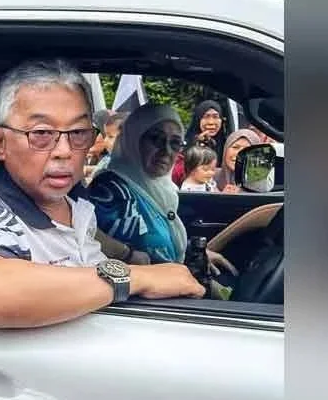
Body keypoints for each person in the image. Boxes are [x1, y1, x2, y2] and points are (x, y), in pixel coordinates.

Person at [0, 59, 206, 329]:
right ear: (0, 143)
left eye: (78, 132)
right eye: (42, 133)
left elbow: (90, 237)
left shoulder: (73, 201)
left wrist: (131, 256)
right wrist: (137, 277)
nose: (64, 150)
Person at [88, 103, 236, 276]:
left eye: (174, 143)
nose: (166, 151)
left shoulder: (160, 187)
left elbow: (160, 247)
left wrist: (194, 253)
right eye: (156, 139)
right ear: (133, 140)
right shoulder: (109, 189)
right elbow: (139, 256)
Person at [173, 99, 227, 184]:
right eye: (206, 117)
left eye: (215, 117)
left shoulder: (227, 144)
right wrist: (196, 144)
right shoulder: (186, 144)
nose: (211, 122)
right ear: (198, 119)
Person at [215, 128, 263, 193]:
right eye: (235, 147)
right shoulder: (209, 177)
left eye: (247, 149)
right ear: (225, 149)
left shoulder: (264, 185)